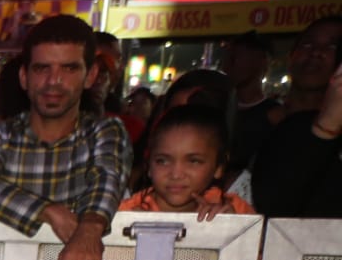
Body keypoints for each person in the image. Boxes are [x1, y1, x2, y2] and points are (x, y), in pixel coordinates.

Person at [0, 15, 131, 260]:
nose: (54, 81)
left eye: (69, 68)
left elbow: (107, 177)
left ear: (90, 76)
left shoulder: (105, 132)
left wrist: (88, 230)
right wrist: (50, 212)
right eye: (42, 69)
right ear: (24, 78)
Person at [251, 17, 342, 218]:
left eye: (332, 46)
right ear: (291, 56)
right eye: (308, 44)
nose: (316, 53)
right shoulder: (254, 125)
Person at [118, 104, 254, 218]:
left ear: (219, 167)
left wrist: (235, 228)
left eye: (194, 161)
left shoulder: (235, 210)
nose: (176, 174)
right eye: (162, 161)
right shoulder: (123, 214)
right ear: (148, 166)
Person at [221, 31, 282, 174]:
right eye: (229, 56)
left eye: (238, 56)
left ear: (262, 62)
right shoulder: (216, 108)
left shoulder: (275, 116)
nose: (230, 63)